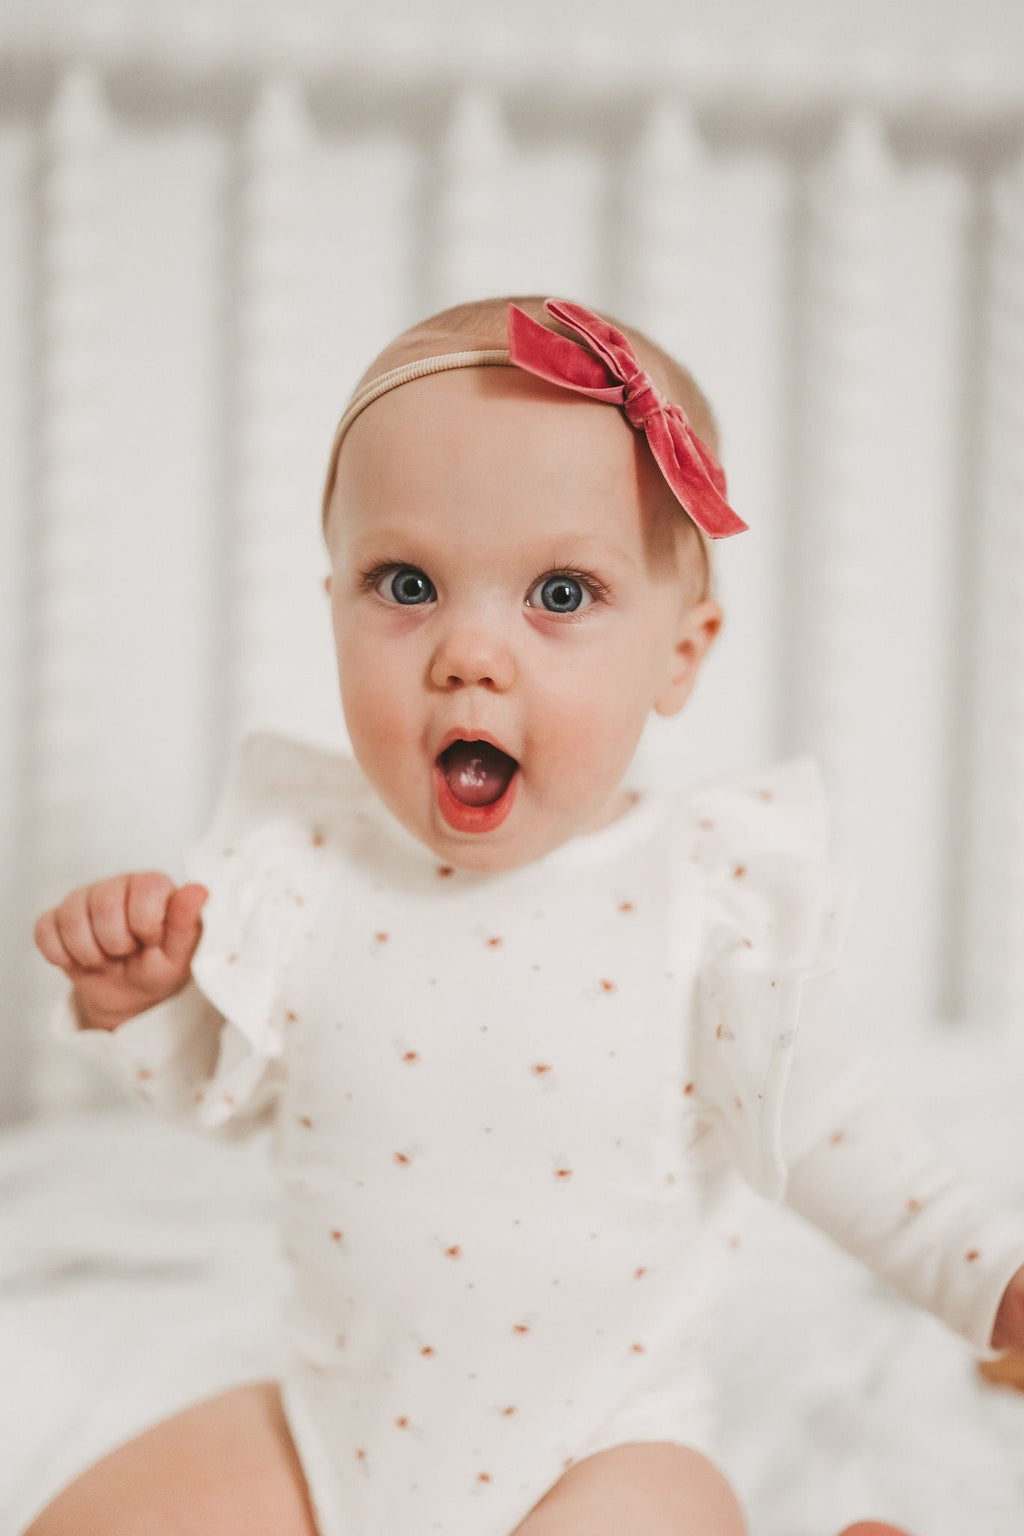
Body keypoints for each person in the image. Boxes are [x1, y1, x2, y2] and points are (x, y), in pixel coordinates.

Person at [28, 296, 1024, 1536]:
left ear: (681, 652)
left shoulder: (703, 905)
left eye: (560, 591)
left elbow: (837, 1139)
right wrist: (151, 997)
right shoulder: (308, 874)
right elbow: (223, 1089)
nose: (469, 654)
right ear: (332, 598)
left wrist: (993, 1279)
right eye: (407, 584)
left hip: (602, 1449)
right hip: (331, 1432)